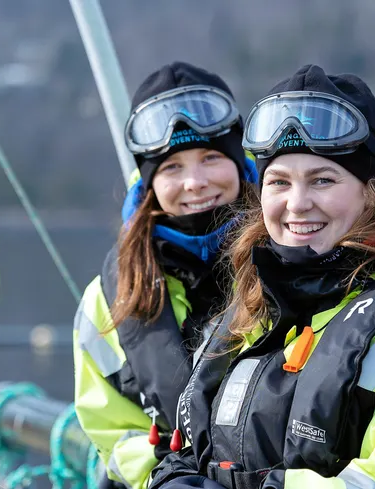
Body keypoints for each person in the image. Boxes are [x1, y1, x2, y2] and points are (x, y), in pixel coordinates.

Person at [148, 64, 375, 489]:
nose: (297, 204)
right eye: (279, 182)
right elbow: (194, 449)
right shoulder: (248, 316)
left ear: (371, 195)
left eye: (322, 180)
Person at [73, 61, 258, 489]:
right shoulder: (108, 298)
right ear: (149, 182)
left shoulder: (293, 256)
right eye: (172, 167)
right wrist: (161, 474)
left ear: (240, 162)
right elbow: (112, 428)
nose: (194, 182)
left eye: (211, 157)